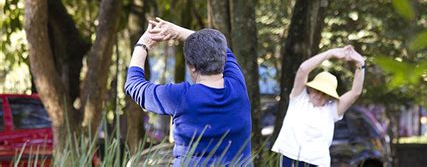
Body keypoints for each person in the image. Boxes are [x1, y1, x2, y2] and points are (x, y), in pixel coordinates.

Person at [125, 18, 252, 166]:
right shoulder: (237, 86)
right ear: (222, 60)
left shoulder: (180, 97)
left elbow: (133, 85)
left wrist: (143, 45)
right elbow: (225, 50)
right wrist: (178, 31)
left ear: (192, 67)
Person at [272, 45, 365, 167]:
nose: (319, 95)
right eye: (317, 90)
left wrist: (360, 63)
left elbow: (355, 92)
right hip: (290, 157)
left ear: (330, 96)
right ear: (310, 88)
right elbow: (303, 69)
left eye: (324, 93)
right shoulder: (299, 98)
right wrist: (330, 53)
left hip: (317, 162)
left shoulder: (332, 110)